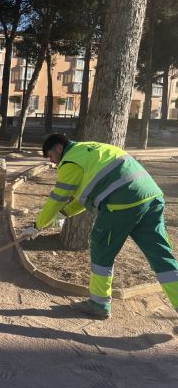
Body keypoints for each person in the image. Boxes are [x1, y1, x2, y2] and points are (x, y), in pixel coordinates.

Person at [21, 133, 178, 320]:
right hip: (151, 198)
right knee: (162, 256)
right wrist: (64, 214)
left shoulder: (70, 162)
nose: (52, 162)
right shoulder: (92, 150)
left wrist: (37, 226)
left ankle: (99, 303)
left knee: (101, 247)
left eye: (50, 156)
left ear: (59, 149)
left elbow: (56, 199)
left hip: (123, 204)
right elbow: (86, 196)